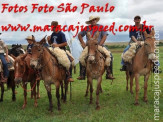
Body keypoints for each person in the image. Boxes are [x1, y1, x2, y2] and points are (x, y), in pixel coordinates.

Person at [77, 16, 115, 80]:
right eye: (91, 20)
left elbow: (105, 36)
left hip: (99, 45)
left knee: (109, 55)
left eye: (94, 20)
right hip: (89, 46)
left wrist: (100, 44)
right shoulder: (86, 28)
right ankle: (82, 74)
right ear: (90, 22)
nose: (93, 21)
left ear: (96, 20)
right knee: (81, 57)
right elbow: (79, 35)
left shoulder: (101, 27)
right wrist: (83, 44)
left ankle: (109, 73)